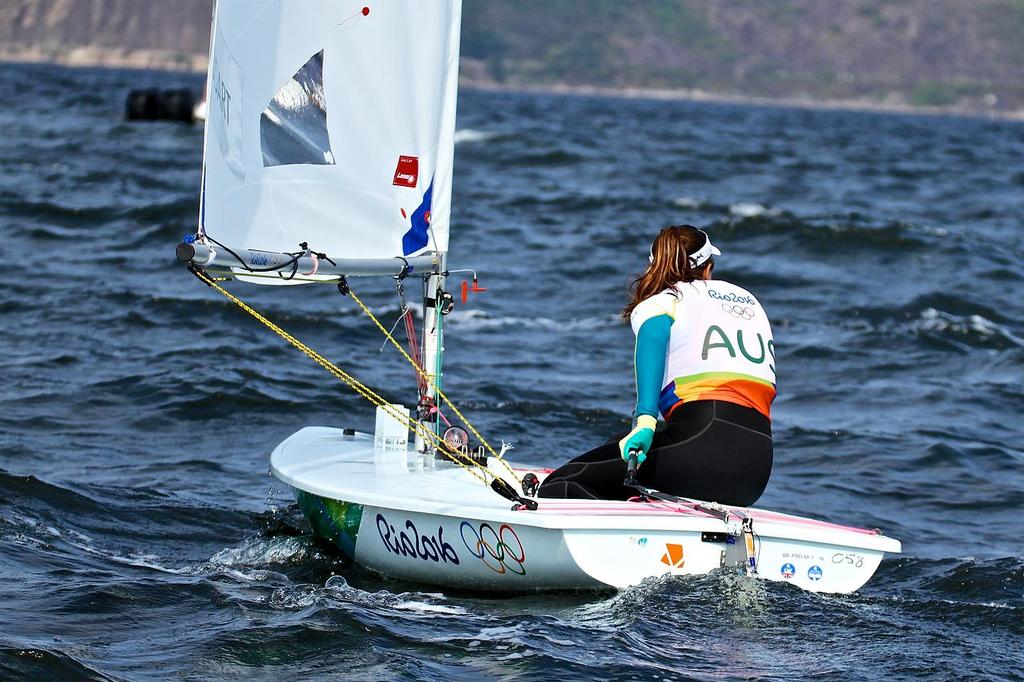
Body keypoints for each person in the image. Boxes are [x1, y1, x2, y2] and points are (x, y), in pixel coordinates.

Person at [537, 225, 776, 506]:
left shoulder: (662, 304)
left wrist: (645, 421)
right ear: (708, 269)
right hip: (756, 471)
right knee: (621, 445)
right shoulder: (750, 302)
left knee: (562, 486)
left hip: (702, 453)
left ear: (656, 268)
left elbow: (652, 343)